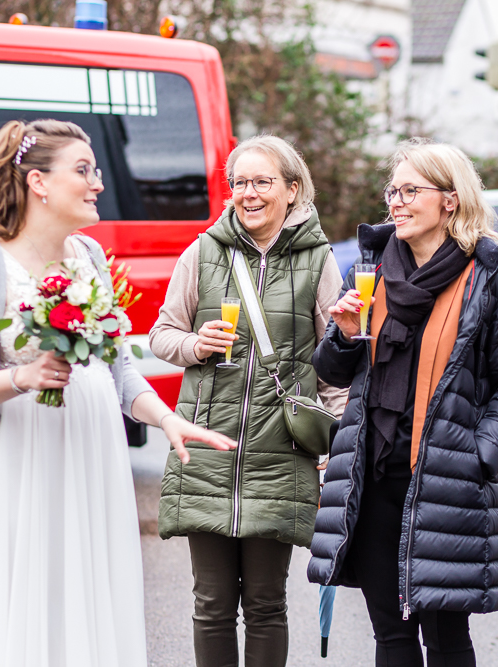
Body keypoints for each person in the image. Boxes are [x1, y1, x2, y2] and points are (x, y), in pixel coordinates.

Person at [0, 119, 235, 667]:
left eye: (96, 170)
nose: (98, 183)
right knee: (5, 596)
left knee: (77, 590)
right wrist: (22, 377)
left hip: (87, 459)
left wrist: (166, 418)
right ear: (38, 181)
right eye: (83, 170)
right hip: (8, 465)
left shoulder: (88, 256)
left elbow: (118, 371)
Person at [306, 138, 498, 667]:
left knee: (445, 639)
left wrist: (479, 454)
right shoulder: (370, 272)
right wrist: (344, 336)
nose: (396, 201)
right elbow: (331, 370)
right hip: (369, 479)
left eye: (411, 190)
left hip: (444, 481)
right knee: (390, 636)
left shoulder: (493, 281)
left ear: (451, 199)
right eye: (393, 190)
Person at [149, 134, 347, 667]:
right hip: (208, 447)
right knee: (211, 604)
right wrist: (195, 344)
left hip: (281, 449)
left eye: (263, 182)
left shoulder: (319, 261)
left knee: (265, 603)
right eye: (240, 182)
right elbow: (161, 334)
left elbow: (336, 361)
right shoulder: (204, 251)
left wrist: (338, 437)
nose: (249, 193)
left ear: (292, 190)